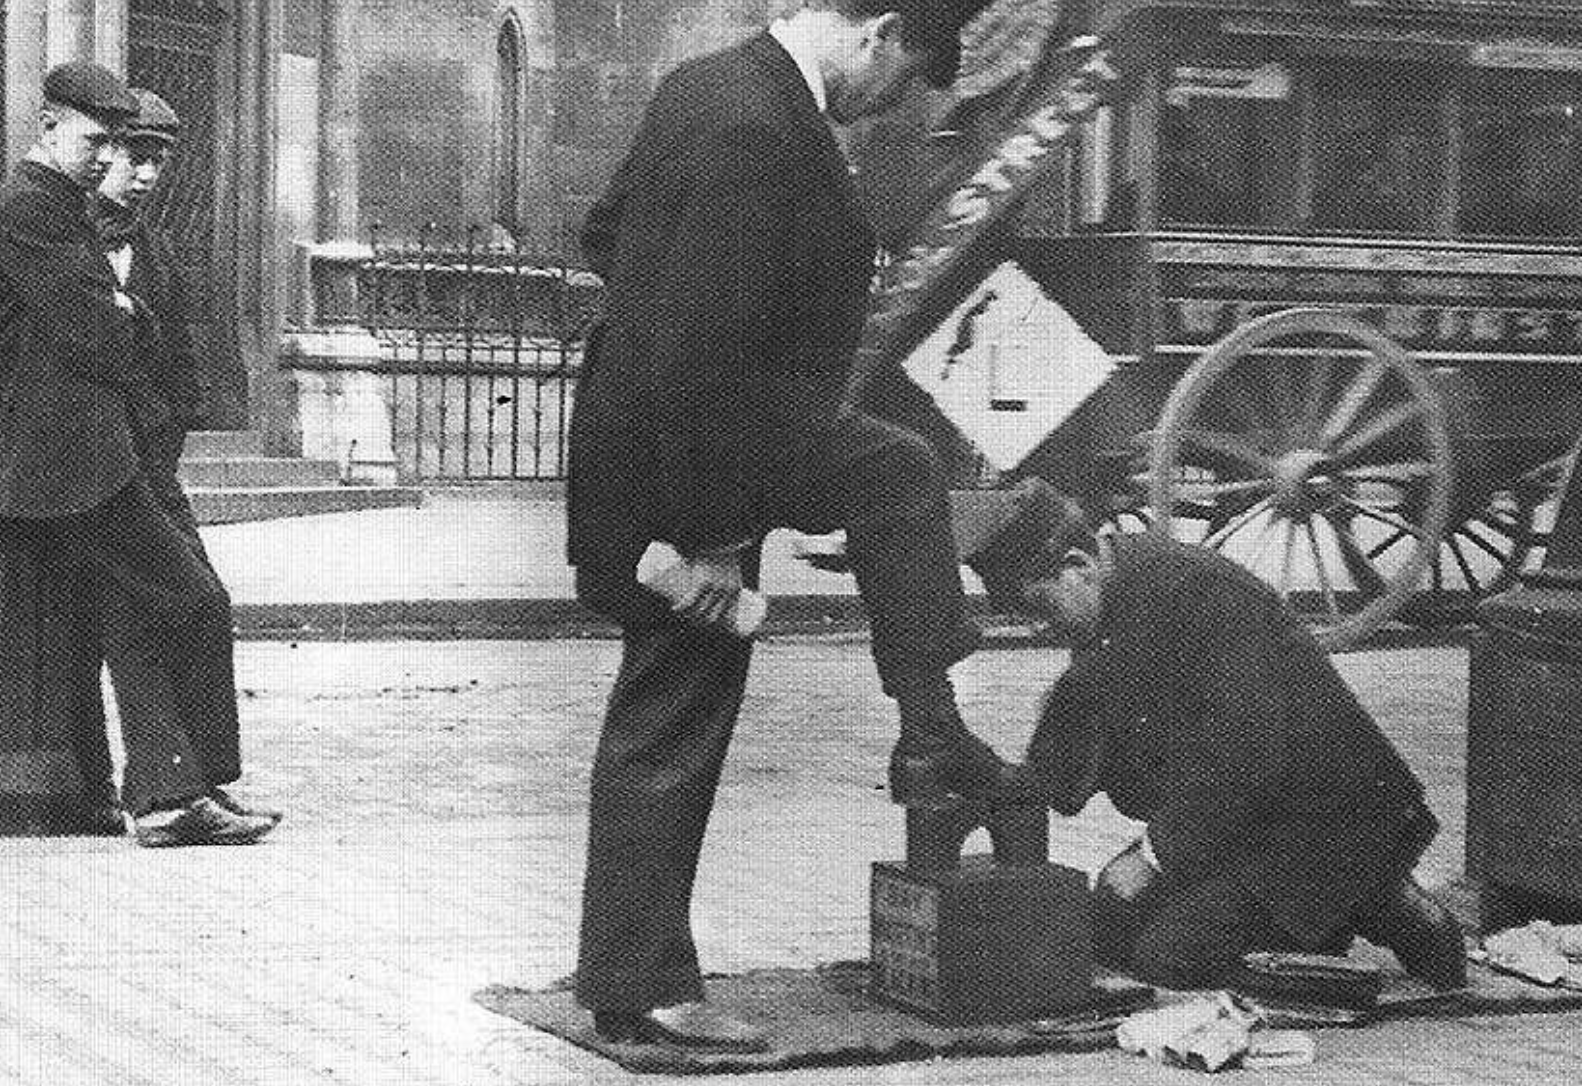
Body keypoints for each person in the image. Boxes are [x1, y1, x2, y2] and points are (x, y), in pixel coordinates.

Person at [568, 0, 1009, 1051]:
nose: (890, 107)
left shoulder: (708, 87)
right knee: (675, 708)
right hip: (693, 459)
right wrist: (717, 537)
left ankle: (930, 721)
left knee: (895, 475)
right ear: (878, 32)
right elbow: (705, 345)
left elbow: (605, 232)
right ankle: (642, 986)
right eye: (902, 80)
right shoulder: (757, 128)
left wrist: (663, 325)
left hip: (703, 428)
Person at [973, 483, 1467, 991]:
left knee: (1171, 958)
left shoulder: (1196, 591)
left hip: (1326, 823)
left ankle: (1383, 909)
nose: (1041, 628)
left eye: (1041, 607)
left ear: (1079, 566)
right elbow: (1076, 733)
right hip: (1249, 822)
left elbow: (1244, 756)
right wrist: (995, 780)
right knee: (1111, 928)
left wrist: (1152, 858)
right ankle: (1324, 916)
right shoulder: (1112, 600)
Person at [0, 63, 279, 848]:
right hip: (74, 462)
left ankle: (138, 794)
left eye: (113, 146)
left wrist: (123, 315)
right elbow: (99, 332)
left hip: (80, 459)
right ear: (48, 127)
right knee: (182, 599)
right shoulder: (33, 208)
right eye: (97, 142)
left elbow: (124, 336)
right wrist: (122, 315)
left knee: (83, 623)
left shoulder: (63, 209)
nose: (106, 159)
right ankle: (166, 796)